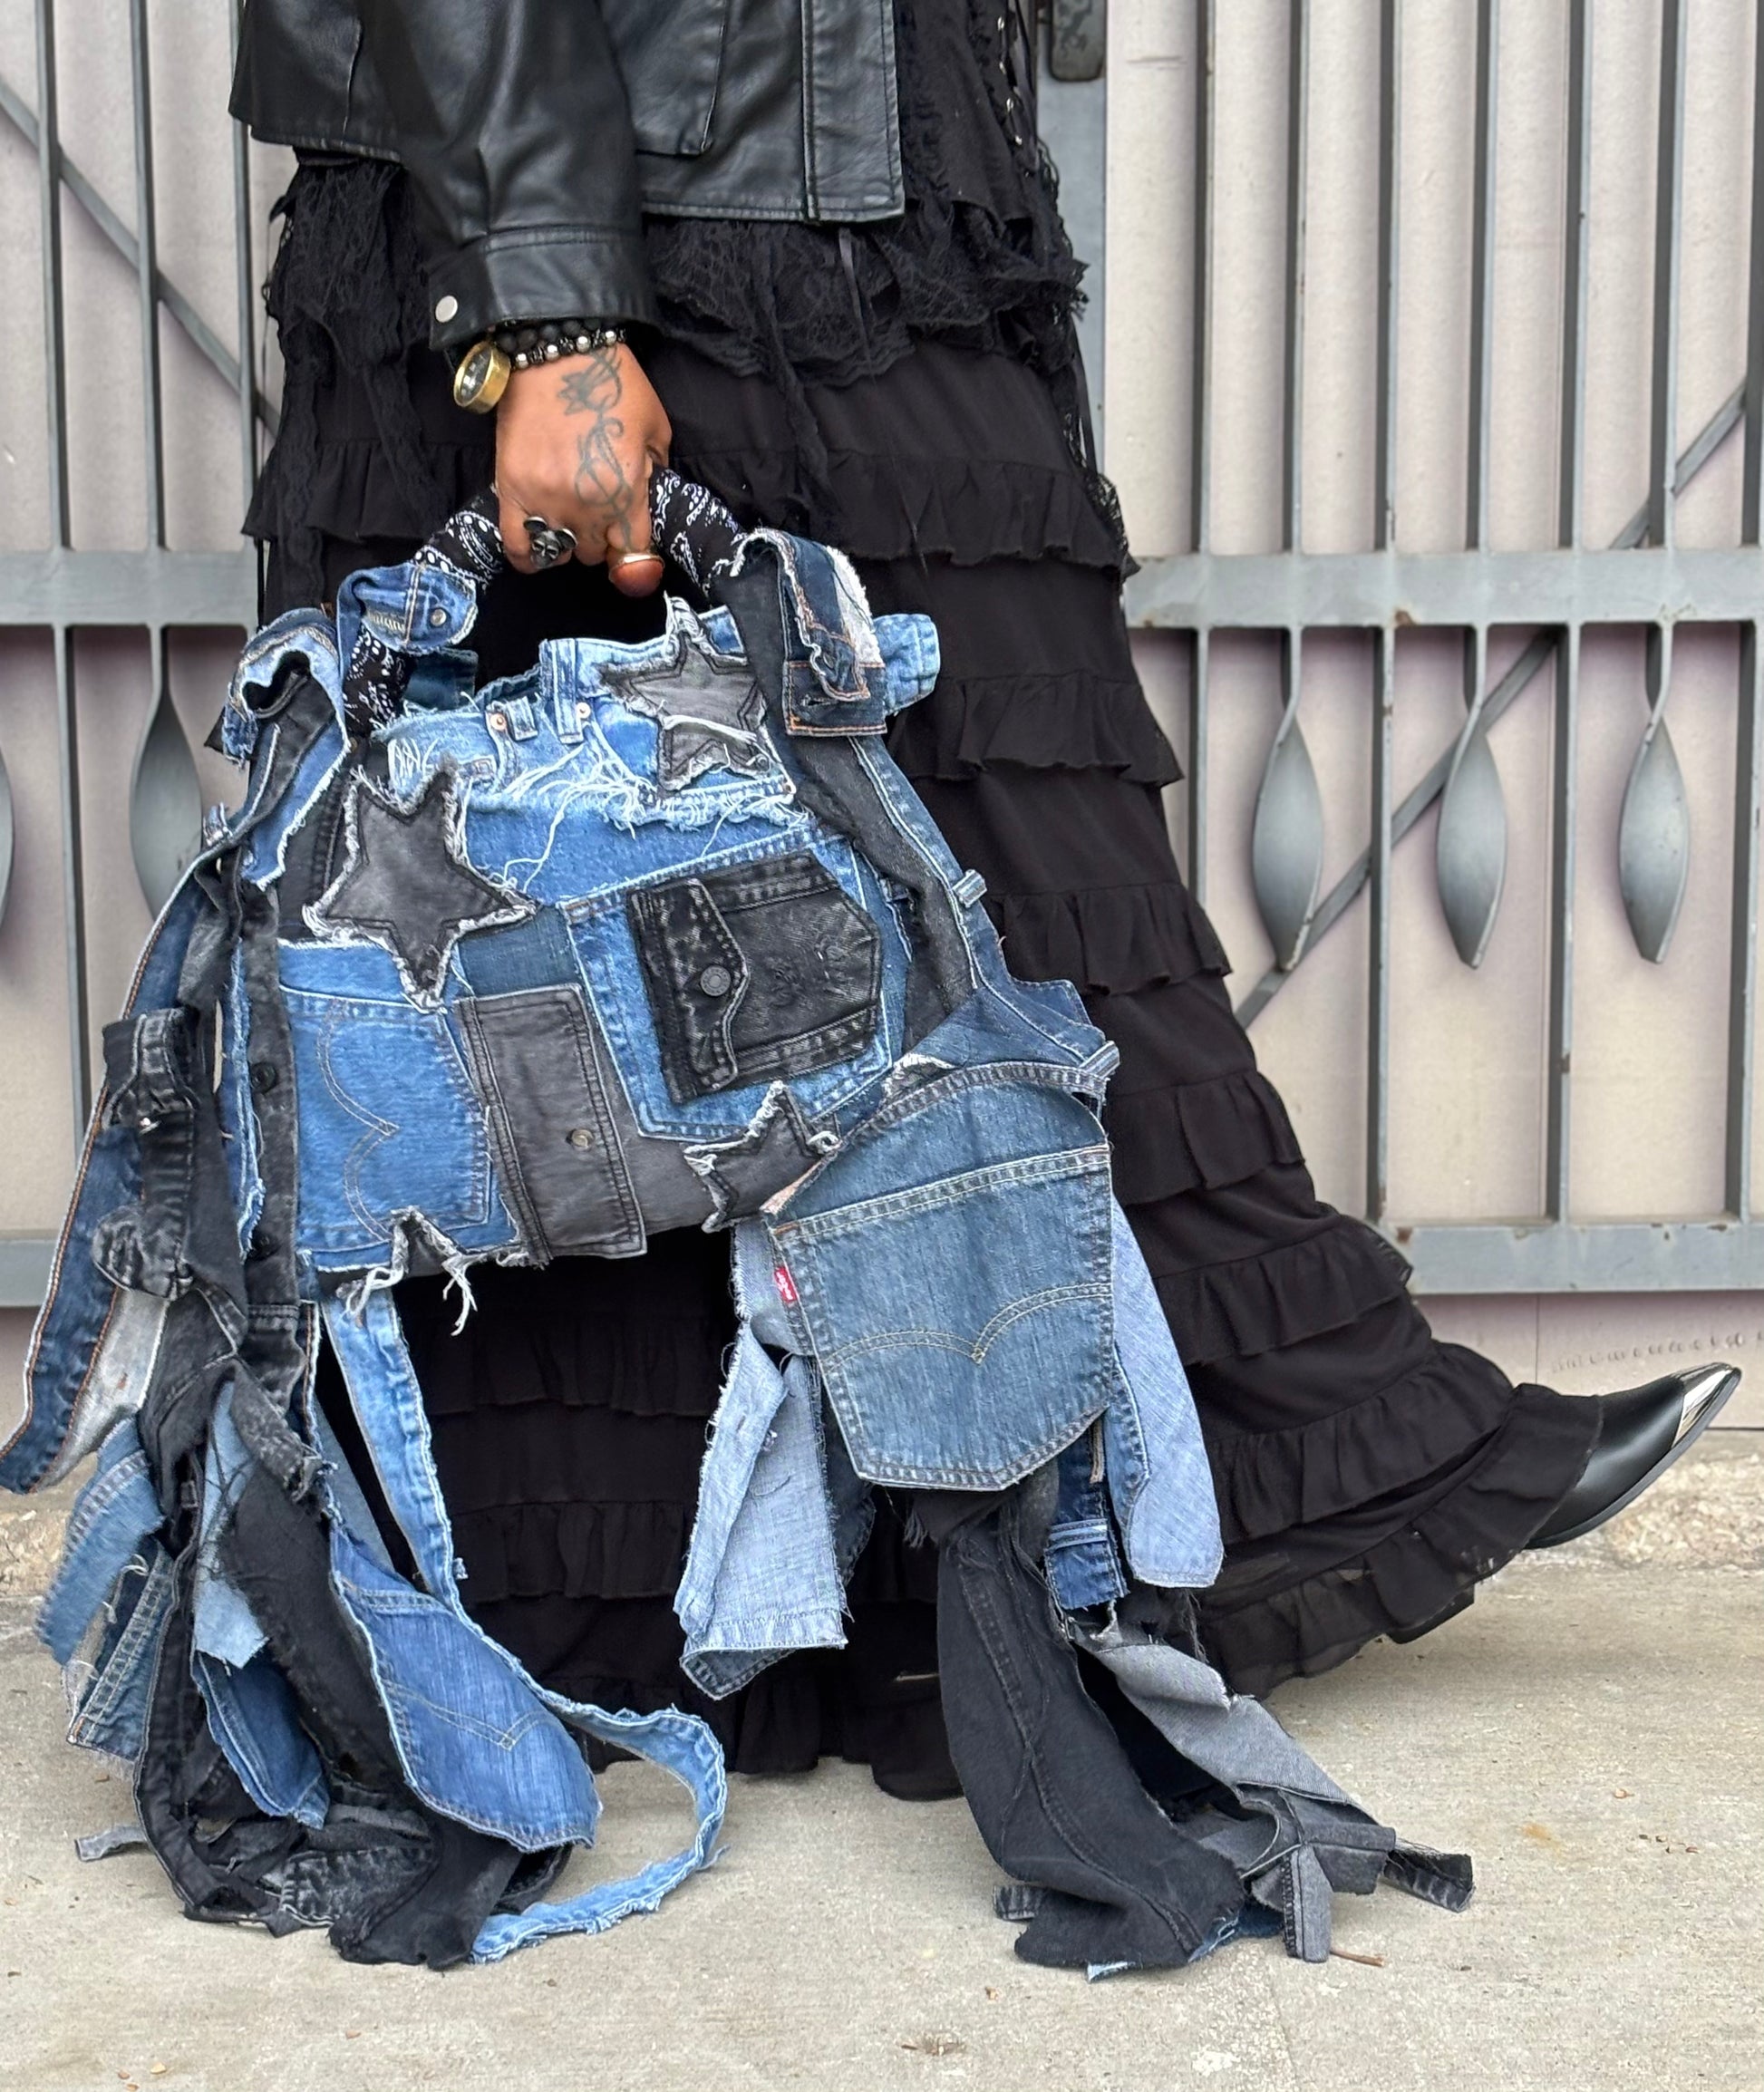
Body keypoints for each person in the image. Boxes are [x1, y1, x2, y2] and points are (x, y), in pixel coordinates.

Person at [230, 0, 1738, 1796]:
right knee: (606, 939)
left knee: (808, 923)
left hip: (797, 163)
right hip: (653, 201)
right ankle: (1268, 1467)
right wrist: (552, 308)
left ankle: (1072, 1538)